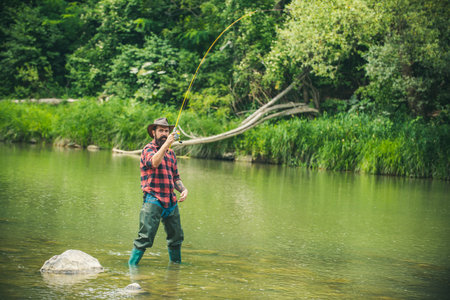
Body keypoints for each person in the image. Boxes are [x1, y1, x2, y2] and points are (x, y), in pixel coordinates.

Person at [128, 117, 188, 266]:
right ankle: (131, 268)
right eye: (160, 130)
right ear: (153, 132)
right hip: (153, 199)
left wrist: (183, 189)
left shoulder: (171, 154)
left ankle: (176, 267)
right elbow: (154, 162)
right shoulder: (148, 149)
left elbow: (175, 177)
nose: (164, 133)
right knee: (145, 238)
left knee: (176, 238)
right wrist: (166, 144)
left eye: (166, 131)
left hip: (171, 202)